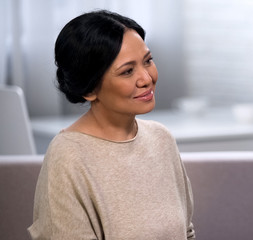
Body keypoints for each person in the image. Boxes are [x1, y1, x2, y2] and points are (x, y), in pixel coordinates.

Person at [28, 10, 195, 239]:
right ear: (89, 89)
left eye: (148, 61)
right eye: (127, 71)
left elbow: (186, 232)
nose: (146, 78)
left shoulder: (161, 138)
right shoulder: (68, 156)